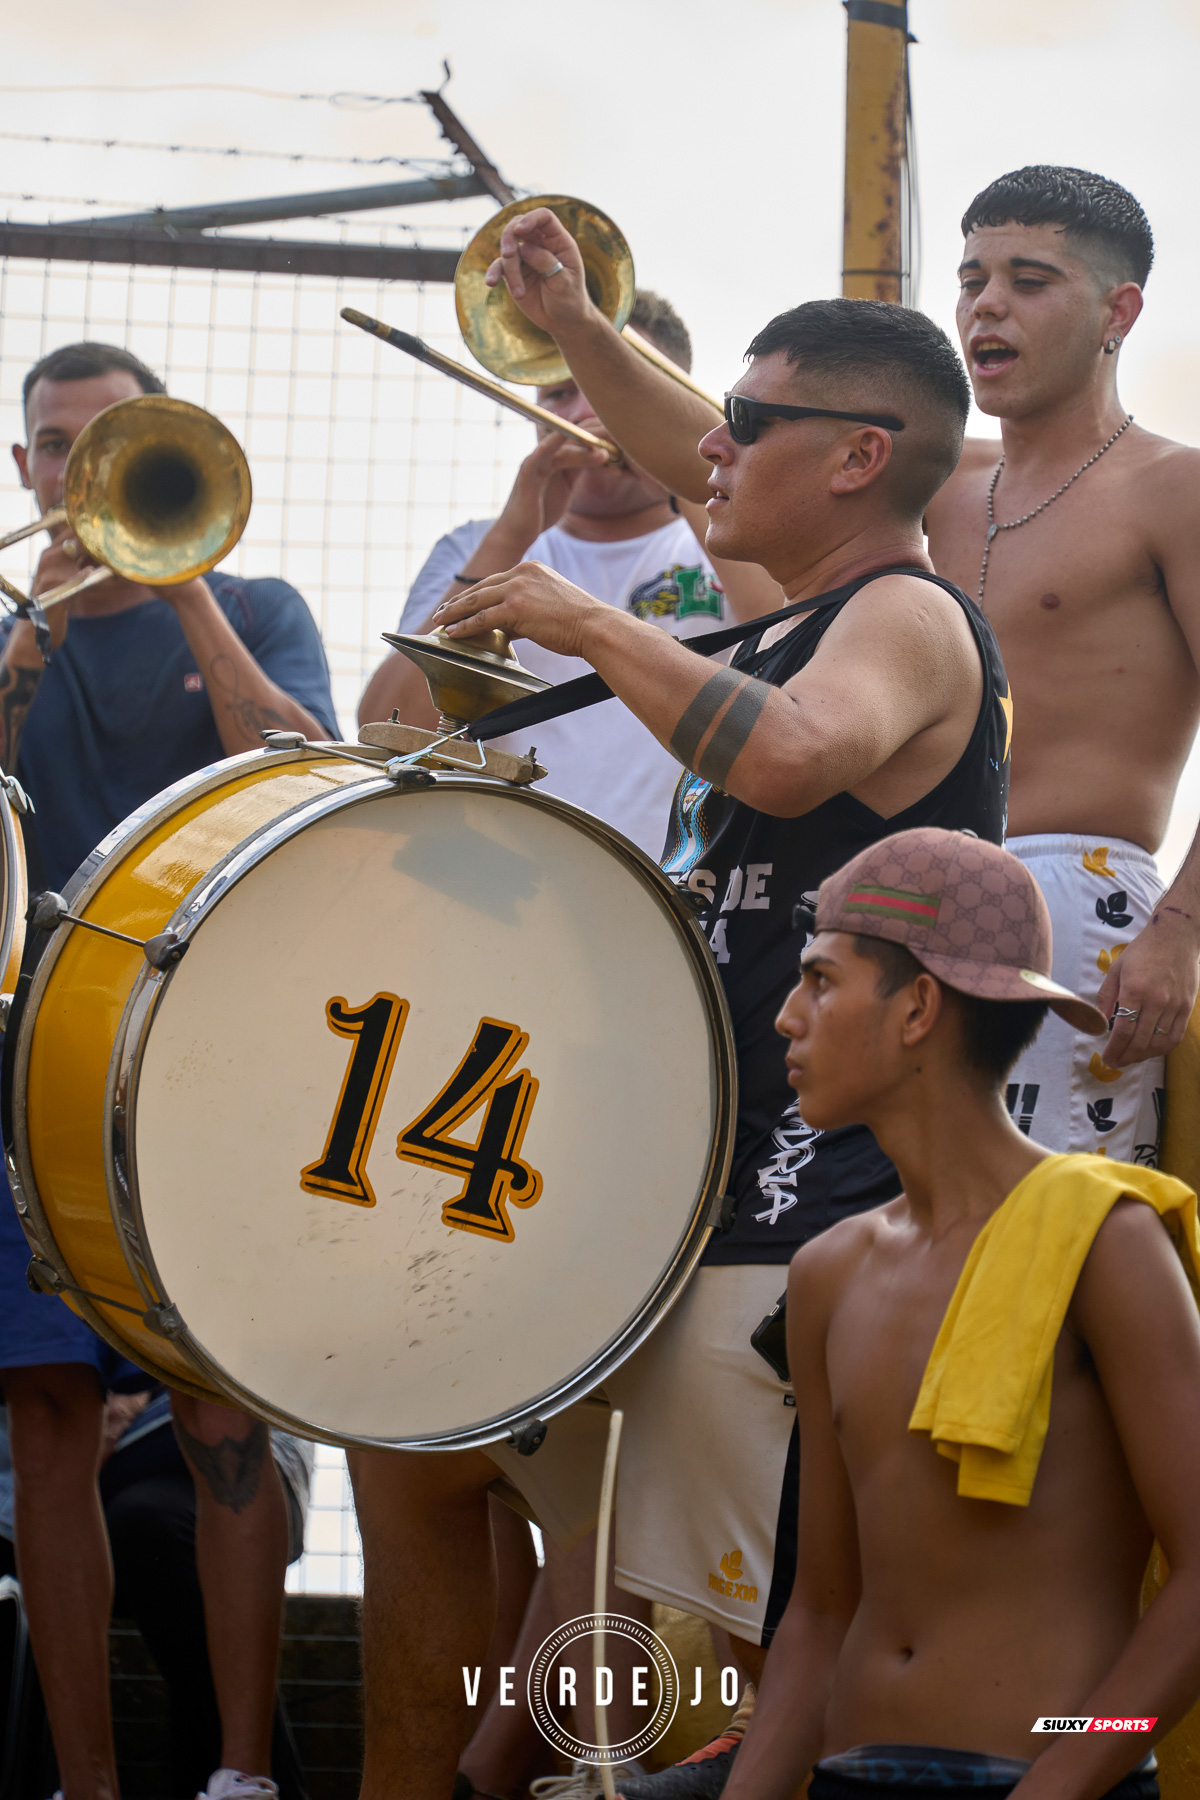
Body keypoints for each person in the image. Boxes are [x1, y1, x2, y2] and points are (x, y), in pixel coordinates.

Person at [349, 282, 1012, 1800]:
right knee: (675, 1645)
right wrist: (573, 323)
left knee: (778, 1661)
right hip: (717, 1209)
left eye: (750, 426)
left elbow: (785, 761)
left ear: (856, 458)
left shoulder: (900, 614)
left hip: (813, 1215)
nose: (709, 453)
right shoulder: (787, 614)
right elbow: (695, 442)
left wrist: (583, 620)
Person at [0, 340, 339, 1800]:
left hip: (215, 1057)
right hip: (27, 1068)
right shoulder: (11, 634)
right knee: (43, 1413)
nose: (80, 471)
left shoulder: (256, 605)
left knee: (220, 1403)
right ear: (24, 473)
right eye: (56, 448)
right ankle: (86, 1784)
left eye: (109, 442)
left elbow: (298, 761)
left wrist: (181, 564)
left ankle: (245, 1775)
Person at [722, 825, 1200, 1800]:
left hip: (1049, 1775)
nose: (785, 1017)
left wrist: (1068, 1778)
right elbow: (818, 1614)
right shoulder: (827, 1273)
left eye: (820, 979)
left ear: (917, 1011)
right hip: (850, 1775)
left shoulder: (1105, 1241)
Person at [921, 165, 1200, 1166]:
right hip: (918, 897)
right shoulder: (943, 487)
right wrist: (576, 323)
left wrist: (1179, 931)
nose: (987, 305)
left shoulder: (1174, 487)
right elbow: (722, 467)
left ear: (1118, 309)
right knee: (909, 1243)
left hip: (1084, 905)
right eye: (971, 279)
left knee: (1055, 1240)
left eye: (1030, 280)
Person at [357, 289, 779, 860]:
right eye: (558, 391)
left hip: (694, 884)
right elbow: (386, 723)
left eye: (610, 388)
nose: (581, 414)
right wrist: (513, 534)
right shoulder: (476, 545)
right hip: (505, 882)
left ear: (664, 400)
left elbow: (787, 649)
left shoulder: (732, 540)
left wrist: (681, 471)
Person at [0, 1391, 314, 1798]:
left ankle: (248, 1781)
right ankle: (84, 1786)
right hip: (45, 1477)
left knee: (151, 1529)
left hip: (178, 1455)